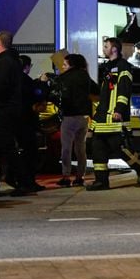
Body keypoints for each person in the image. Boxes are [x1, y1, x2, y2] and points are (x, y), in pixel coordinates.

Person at [87, 37, 140, 190]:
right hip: (102, 117)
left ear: (114, 49)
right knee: (98, 148)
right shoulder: (108, 67)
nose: (103, 49)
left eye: (106, 46)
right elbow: (104, 94)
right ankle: (101, 181)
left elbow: (124, 89)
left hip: (115, 116)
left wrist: (119, 110)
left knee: (119, 148)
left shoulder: (123, 66)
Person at [0, 30, 30, 196]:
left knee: (6, 146)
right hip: (13, 108)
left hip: (4, 110)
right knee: (8, 146)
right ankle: (15, 179)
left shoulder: (3, 62)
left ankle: (20, 181)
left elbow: (1, 85)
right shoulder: (14, 61)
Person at [53, 53, 95, 187]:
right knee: (80, 148)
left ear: (72, 65)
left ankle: (66, 176)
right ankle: (79, 177)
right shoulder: (85, 76)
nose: (63, 67)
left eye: (65, 64)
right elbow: (96, 90)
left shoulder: (65, 78)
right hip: (83, 117)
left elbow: (57, 94)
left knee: (66, 148)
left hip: (69, 116)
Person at [19, 55, 47, 192]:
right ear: (27, 66)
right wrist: (42, 83)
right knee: (30, 153)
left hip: (16, 121)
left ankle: (22, 181)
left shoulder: (13, 80)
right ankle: (29, 182)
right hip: (28, 121)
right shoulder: (26, 81)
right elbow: (38, 95)